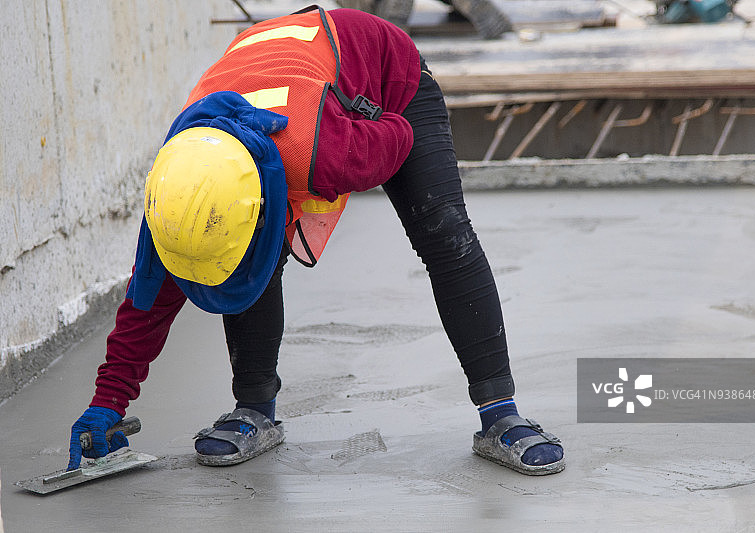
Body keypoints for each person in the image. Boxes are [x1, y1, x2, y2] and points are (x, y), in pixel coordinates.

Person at [67, 6, 565, 476]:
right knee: (248, 255)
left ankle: (501, 414)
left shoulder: (328, 153)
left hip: (383, 80)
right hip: (280, 65)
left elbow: (397, 135)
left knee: (444, 233)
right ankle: (255, 410)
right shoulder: (181, 185)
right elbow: (147, 297)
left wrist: (350, 118)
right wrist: (106, 403)